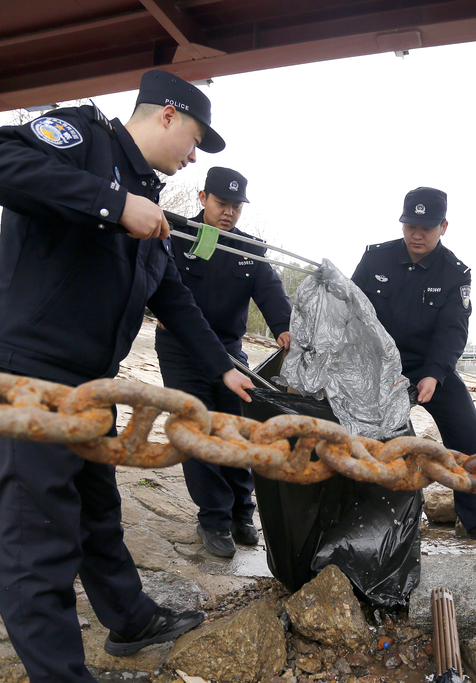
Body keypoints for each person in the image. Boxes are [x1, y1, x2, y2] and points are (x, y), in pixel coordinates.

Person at [0, 70, 254, 683]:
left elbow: (174, 300)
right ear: (167, 116)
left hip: (93, 385)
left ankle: (130, 618)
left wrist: (226, 369)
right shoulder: (81, 139)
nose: (193, 155)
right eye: (195, 139)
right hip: (25, 376)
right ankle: (61, 672)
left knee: (96, 511)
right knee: (35, 538)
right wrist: (112, 206)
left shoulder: (150, 198)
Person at [351, 187, 476, 549]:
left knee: (468, 430)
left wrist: (435, 373)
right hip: (378, 366)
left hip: (429, 366)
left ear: (444, 226)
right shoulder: (375, 259)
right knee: (364, 434)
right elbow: (350, 310)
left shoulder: (455, 273)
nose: (416, 234)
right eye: (410, 225)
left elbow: (453, 329)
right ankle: (362, 518)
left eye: (426, 228)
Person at [156, 166, 292, 557]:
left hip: (231, 351)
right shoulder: (176, 234)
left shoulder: (249, 248)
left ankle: (241, 513)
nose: (228, 212)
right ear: (203, 198)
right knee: (198, 430)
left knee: (236, 429)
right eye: (221, 203)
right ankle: (213, 519)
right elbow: (156, 284)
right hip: (181, 348)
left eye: (235, 206)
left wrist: (283, 327)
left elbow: (270, 290)